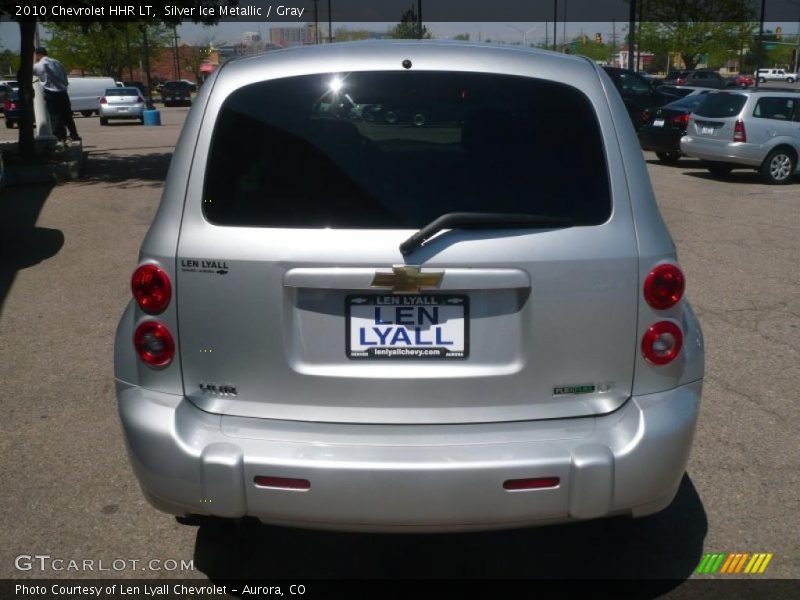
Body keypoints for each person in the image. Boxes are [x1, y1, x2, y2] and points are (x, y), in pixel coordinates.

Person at [32, 46, 81, 142]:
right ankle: (74, 134)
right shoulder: (57, 62)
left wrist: (33, 62)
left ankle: (60, 137)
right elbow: (65, 77)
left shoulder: (41, 64)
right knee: (67, 116)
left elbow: (32, 71)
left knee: (55, 116)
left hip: (51, 93)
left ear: (37, 55)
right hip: (63, 92)